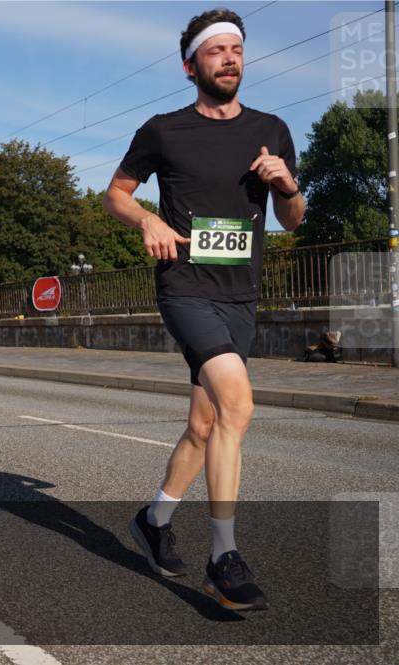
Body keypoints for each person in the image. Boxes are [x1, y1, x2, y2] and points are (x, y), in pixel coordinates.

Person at [103, 8, 305, 611]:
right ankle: (224, 556)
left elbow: (294, 219)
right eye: (215, 52)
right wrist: (147, 219)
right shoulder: (164, 130)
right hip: (184, 288)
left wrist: (286, 185)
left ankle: (154, 518)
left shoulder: (270, 128)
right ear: (191, 65)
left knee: (205, 423)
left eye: (235, 50)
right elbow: (115, 193)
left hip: (240, 294)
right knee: (237, 404)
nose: (229, 59)